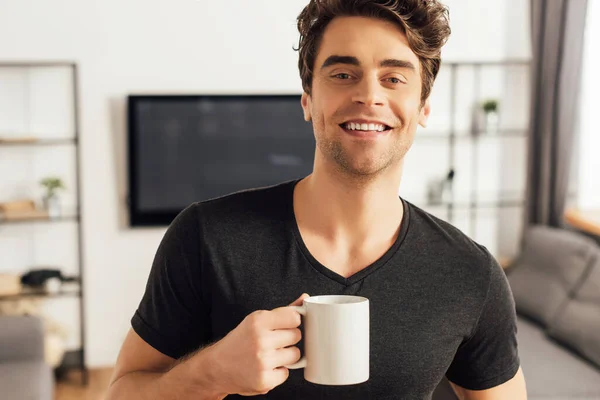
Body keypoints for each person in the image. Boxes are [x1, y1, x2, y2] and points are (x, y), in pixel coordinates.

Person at [106, 0, 528, 399]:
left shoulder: (471, 274)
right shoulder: (205, 238)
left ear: (423, 107)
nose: (368, 95)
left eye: (394, 77)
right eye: (343, 74)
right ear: (308, 100)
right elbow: (121, 392)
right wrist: (212, 371)